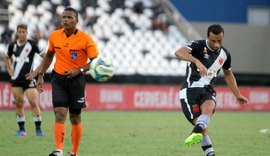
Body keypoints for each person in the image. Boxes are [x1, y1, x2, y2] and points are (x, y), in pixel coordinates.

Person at [175, 24, 249, 156]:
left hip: (207, 90)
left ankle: (194, 133)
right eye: (213, 40)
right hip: (190, 90)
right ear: (207, 37)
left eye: (219, 41)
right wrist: (196, 61)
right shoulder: (198, 45)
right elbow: (179, 52)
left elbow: (228, 74)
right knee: (203, 128)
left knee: (209, 106)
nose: (216, 44)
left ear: (223, 37)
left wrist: (237, 95)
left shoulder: (225, 54)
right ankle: (204, 143)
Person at [36, 7, 99, 156]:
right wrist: (40, 75)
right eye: (63, 17)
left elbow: (95, 61)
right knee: (59, 114)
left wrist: (79, 70)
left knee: (75, 118)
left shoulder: (85, 39)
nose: (65, 19)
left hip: (77, 80)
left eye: (69, 17)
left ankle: (74, 153)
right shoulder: (54, 36)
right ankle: (59, 150)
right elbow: (49, 55)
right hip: (58, 79)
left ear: (77, 20)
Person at [5, 24, 44, 136]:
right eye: (19, 32)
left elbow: (45, 58)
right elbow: (7, 58)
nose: (21, 34)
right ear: (17, 33)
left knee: (33, 102)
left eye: (23, 32)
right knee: (19, 103)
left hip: (29, 79)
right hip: (16, 79)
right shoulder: (12, 45)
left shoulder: (32, 44)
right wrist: (9, 69)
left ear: (26, 33)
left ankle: (38, 129)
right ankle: (21, 129)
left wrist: (35, 73)